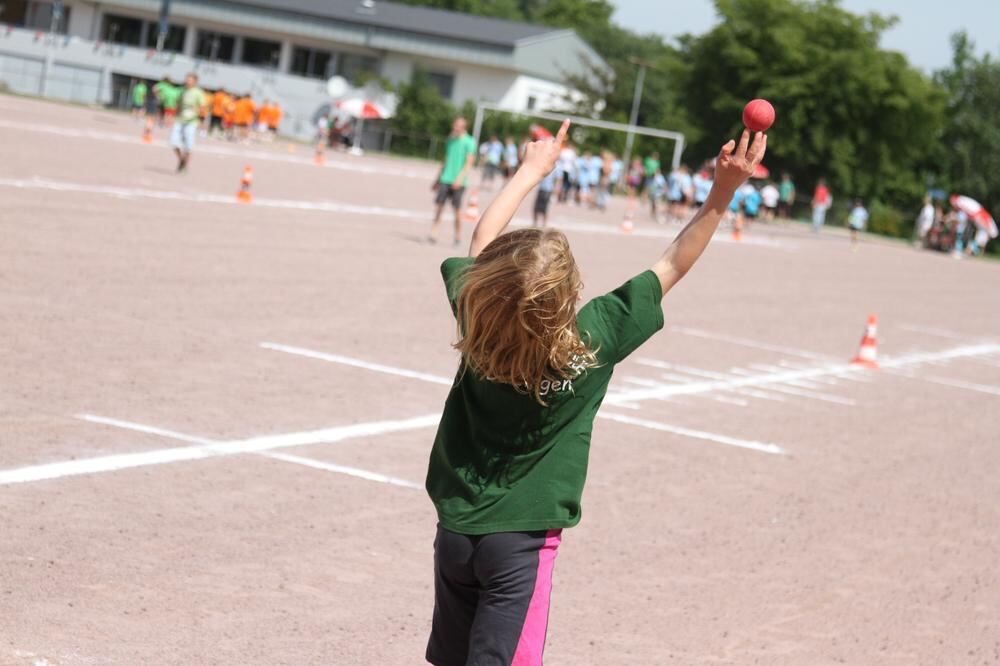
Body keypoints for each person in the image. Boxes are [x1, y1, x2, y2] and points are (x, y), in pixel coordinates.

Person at [424, 120, 767, 666]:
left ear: (489, 289)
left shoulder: (479, 318)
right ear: (570, 295)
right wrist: (723, 191)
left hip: (456, 530)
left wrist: (529, 170)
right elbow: (674, 262)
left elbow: (481, 241)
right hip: (522, 545)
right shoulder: (594, 338)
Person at [430, 116, 477, 246]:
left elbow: (469, 163)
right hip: (445, 178)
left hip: (459, 182)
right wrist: (437, 179)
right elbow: (445, 159)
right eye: (454, 125)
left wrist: (459, 179)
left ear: (463, 127)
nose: (455, 127)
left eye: (458, 126)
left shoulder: (469, 142)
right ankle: (433, 234)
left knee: (456, 210)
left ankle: (457, 237)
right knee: (439, 206)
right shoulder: (450, 140)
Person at [170, 73, 207, 173]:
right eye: (187, 79)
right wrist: (174, 115)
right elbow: (178, 104)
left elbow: (203, 107)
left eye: (190, 80)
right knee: (174, 143)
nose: (187, 81)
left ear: (195, 81)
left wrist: (201, 121)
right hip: (180, 120)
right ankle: (181, 159)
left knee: (188, 145)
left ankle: (185, 165)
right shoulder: (182, 91)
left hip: (192, 122)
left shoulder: (198, 93)